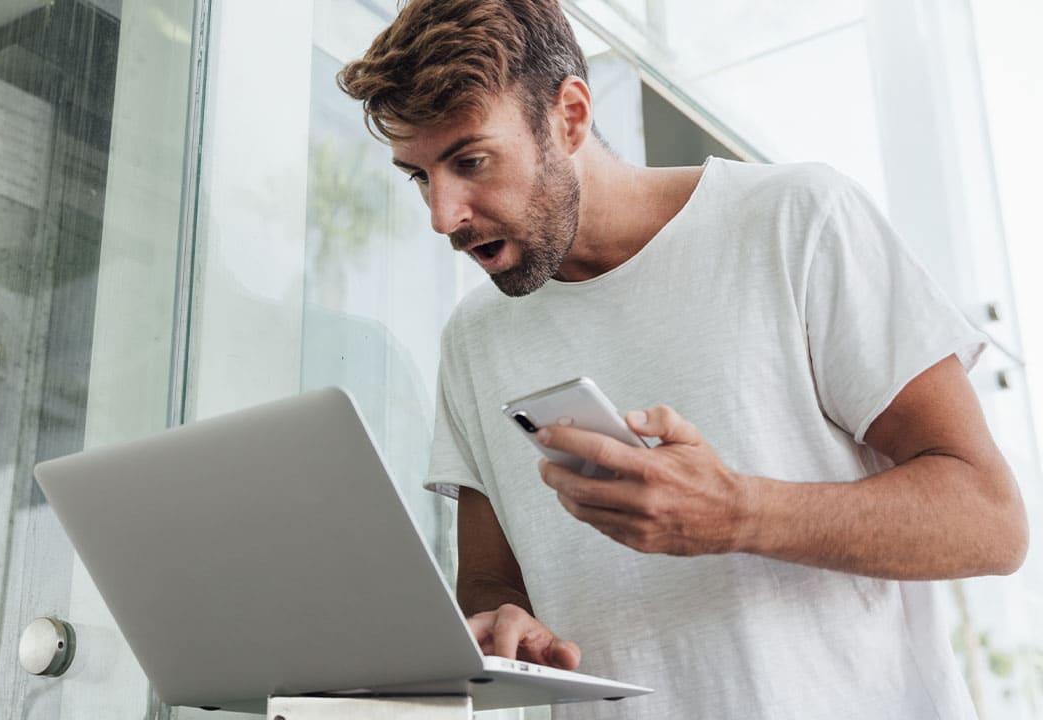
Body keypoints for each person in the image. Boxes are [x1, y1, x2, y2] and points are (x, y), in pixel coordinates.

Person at [337, 1, 1027, 718]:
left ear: (570, 116)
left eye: (470, 161)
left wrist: (739, 513)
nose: (442, 215)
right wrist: (503, 622)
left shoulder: (796, 221)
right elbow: (488, 582)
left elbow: (991, 519)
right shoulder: (475, 336)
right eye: (419, 176)